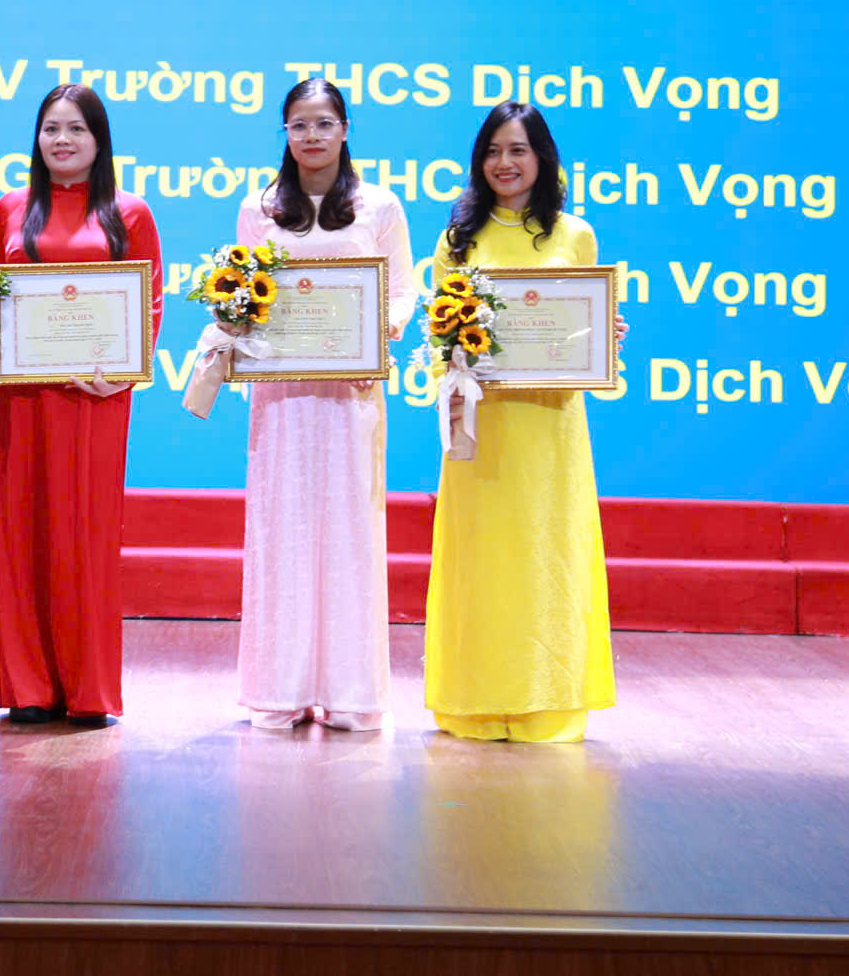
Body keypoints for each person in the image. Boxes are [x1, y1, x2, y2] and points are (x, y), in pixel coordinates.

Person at [226, 77, 417, 731]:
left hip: (350, 396)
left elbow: (401, 290)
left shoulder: (378, 205)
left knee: (349, 533)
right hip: (280, 397)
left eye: (324, 122)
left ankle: (350, 693)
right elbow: (242, 289)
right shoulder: (258, 207)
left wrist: (382, 331)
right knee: (280, 530)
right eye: (299, 124)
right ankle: (277, 690)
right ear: (285, 132)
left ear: (344, 129)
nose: (311, 135)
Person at [423, 101, 615, 742]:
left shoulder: (575, 234)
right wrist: (451, 363)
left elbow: (586, 328)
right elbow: (438, 336)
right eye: (493, 151)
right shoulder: (457, 240)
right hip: (483, 426)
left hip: (550, 425)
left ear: (542, 158)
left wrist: (603, 335)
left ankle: (548, 703)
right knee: (483, 561)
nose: (504, 163)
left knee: (547, 554)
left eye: (518, 150)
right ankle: (474, 701)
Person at [0, 83, 162, 728]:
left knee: (85, 537)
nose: (62, 140)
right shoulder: (10, 209)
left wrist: (122, 373)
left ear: (99, 140)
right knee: (20, 533)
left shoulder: (129, 212)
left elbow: (150, 302)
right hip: (23, 398)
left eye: (76, 129)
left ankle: (89, 690)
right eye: (51, 128)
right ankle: (28, 686)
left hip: (95, 399)